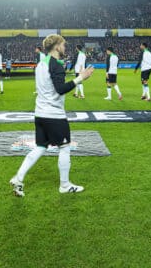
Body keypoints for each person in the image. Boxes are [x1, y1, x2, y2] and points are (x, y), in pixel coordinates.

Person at [10, 34, 94, 197]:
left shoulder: (42, 63)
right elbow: (60, 89)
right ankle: (64, 185)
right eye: (63, 45)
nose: (64, 48)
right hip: (54, 115)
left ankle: (18, 178)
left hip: (40, 113)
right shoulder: (55, 64)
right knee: (64, 147)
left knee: (41, 147)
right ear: (56, 47)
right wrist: (80, 78)